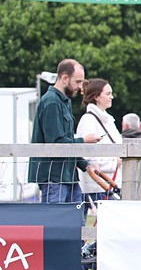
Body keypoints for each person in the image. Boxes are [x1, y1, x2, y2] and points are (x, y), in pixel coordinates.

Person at [28, 59, 100, 204]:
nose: (80, 87)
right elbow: (56, 143)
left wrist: (84, 164)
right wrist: (83, 140)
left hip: (67, 175)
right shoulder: (52, 102)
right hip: (54, 177)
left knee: (75, 220)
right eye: (78, 81)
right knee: (54, 223)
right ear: (65, 78)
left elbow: (66, 142)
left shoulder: (63, 101)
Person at [75, 79, 121, 210]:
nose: (112, 97)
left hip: (111, 183)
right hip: (98, 186)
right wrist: (113, 161)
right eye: (108, 93)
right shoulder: (88, 120)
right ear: (96, 96)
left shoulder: (108, 120)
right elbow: (87, 156)